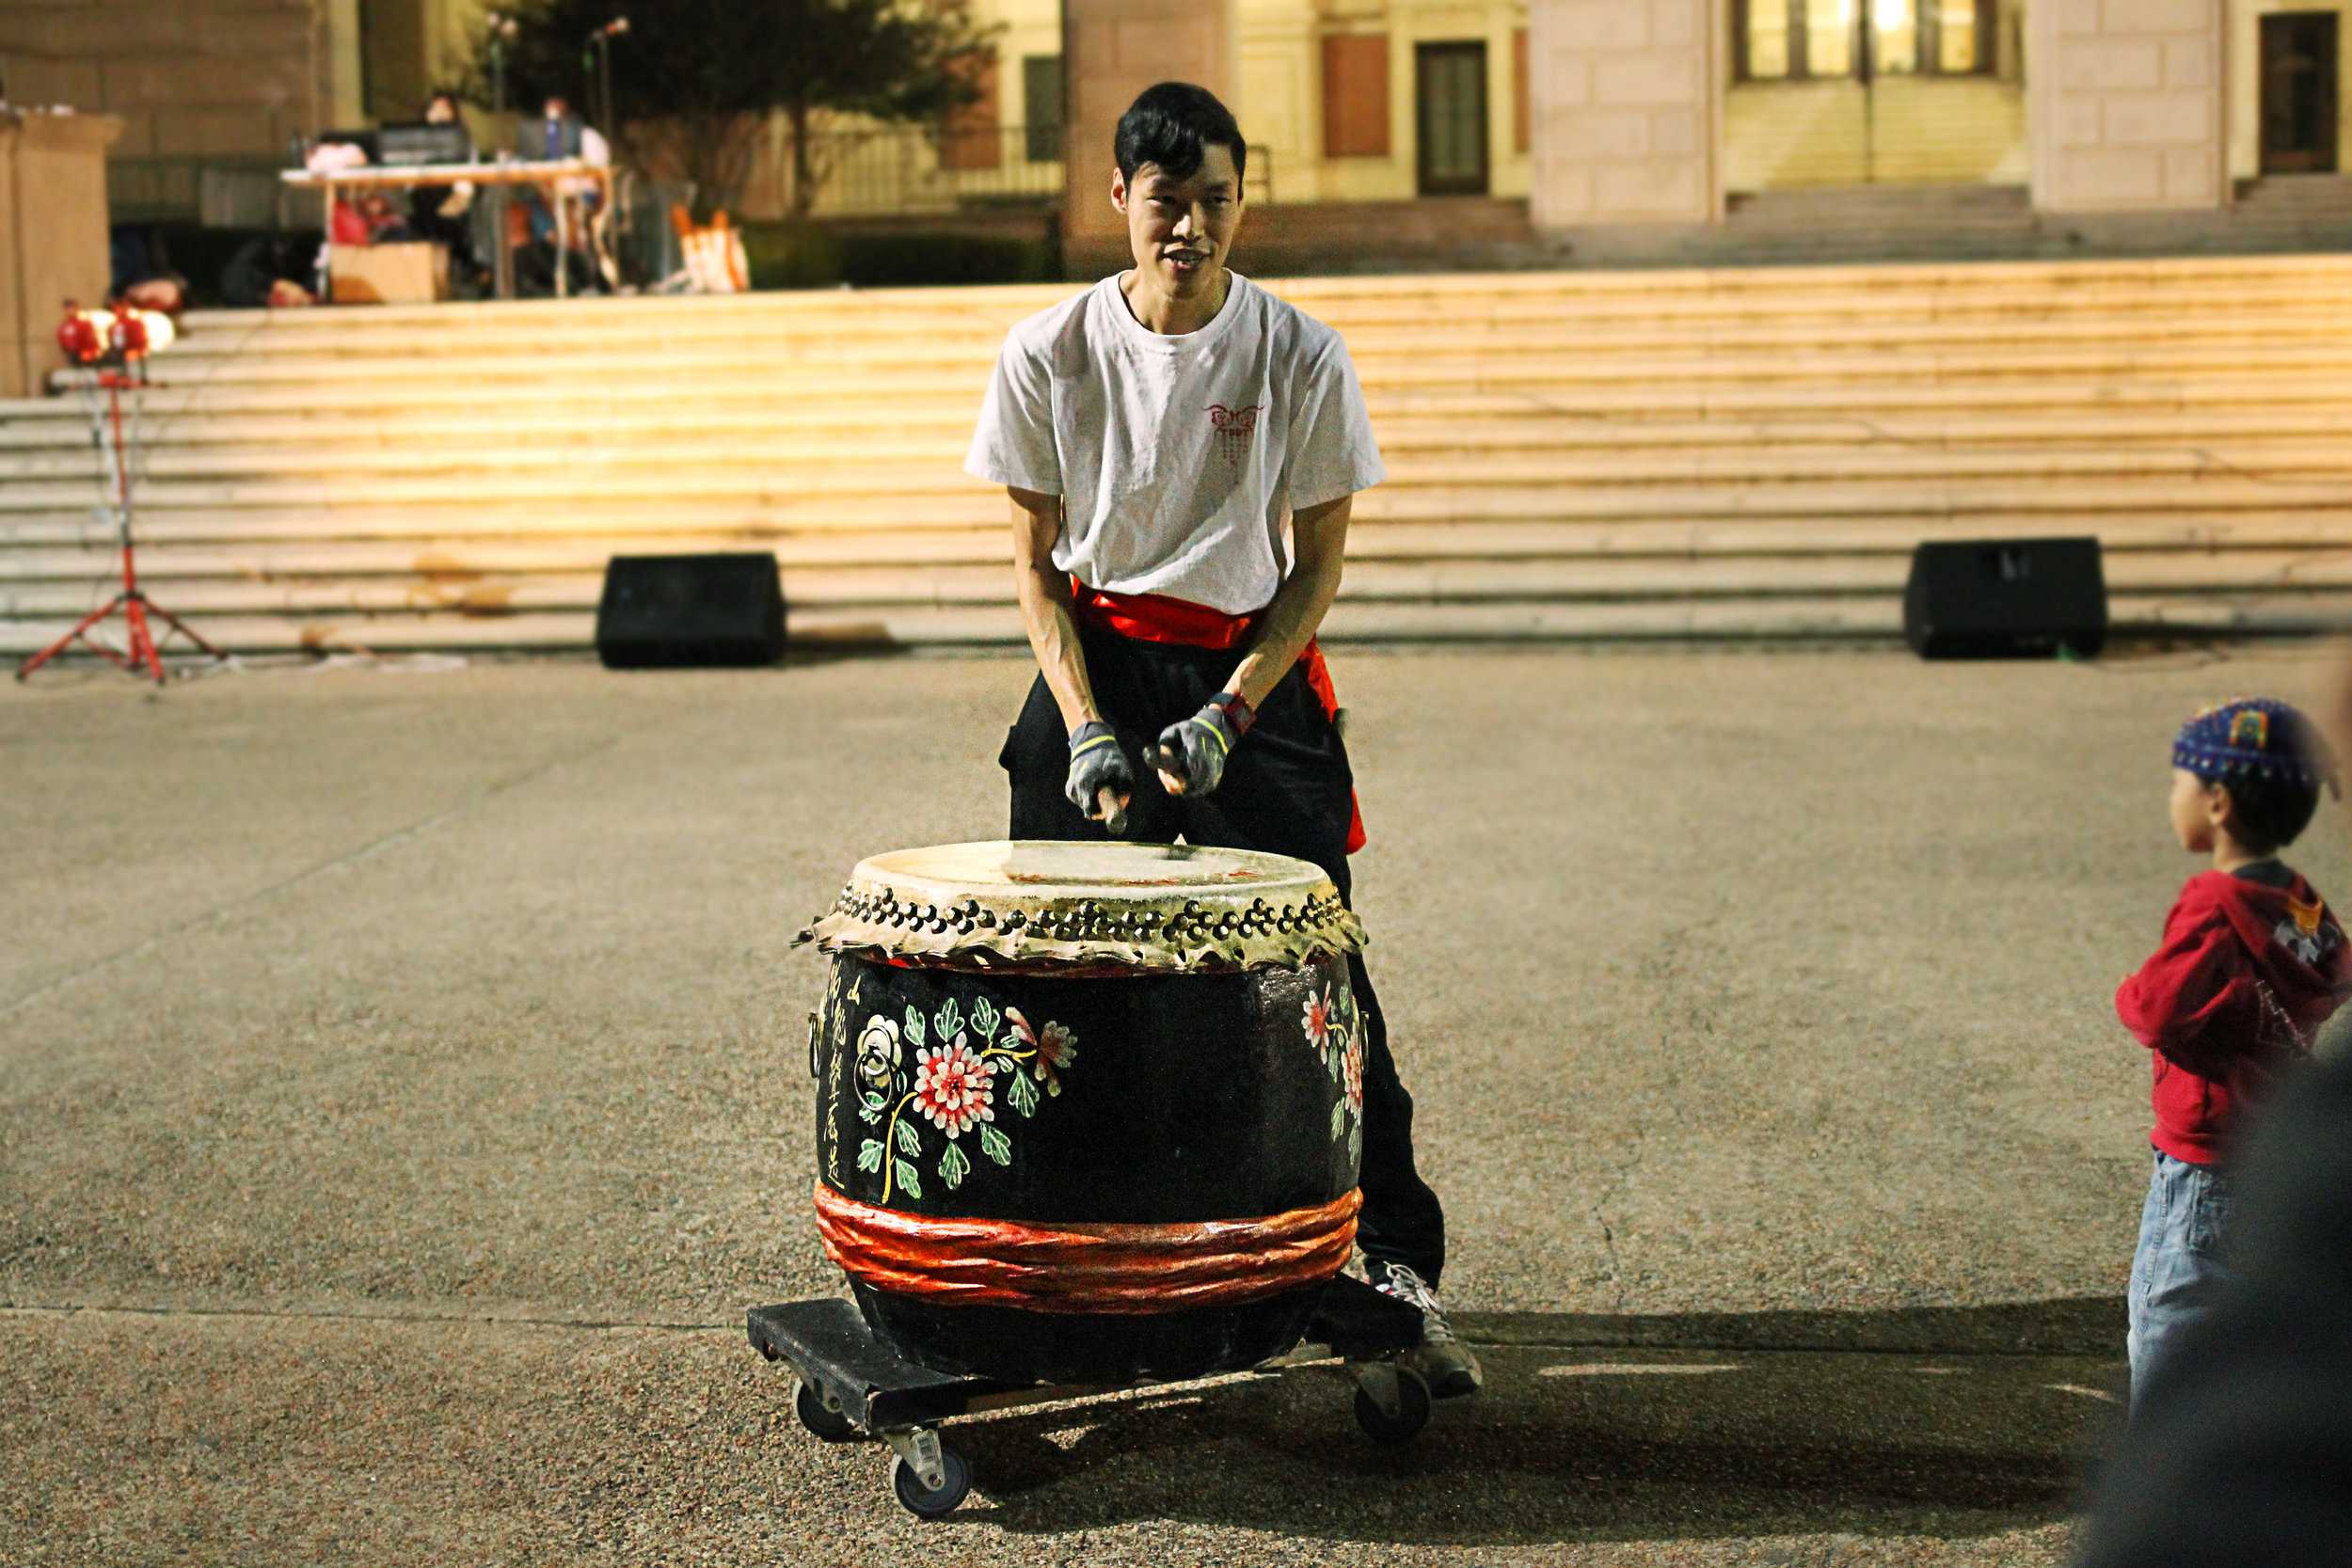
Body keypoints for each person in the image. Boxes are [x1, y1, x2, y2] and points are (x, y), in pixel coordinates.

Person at [964, 81, 1478, 1398]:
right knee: (1058, 977)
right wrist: (1084, 731)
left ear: (1241, 201)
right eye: (1164, 199)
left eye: (1214, 200)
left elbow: (1317, 570)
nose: (1187, 225)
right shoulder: (1048, 352)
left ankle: (1386, 1256)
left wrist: (1233, 712)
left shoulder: (1301, 352)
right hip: (1097, 656)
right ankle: (1057, 1252)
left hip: (1250, 662)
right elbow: (1032, 570)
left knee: (1317, 976)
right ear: (1121, 199)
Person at [2113, 696, 2349, 1410]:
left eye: (2178, 782)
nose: (2171, 798)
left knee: (2168, 1314)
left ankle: (2165, 1460)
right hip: (2263, 1137)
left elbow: (2156, 1007)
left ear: (2217, 802)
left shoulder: (2213, 902)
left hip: (2202, 1159)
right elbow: (2335, 969)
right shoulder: (2297, 896)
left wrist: (2128, 990)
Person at [2074, 1046, 2352, 1565]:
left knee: (2166, 1324)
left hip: (2204, 1148)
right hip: (2244, 1131)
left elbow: (2158, 1004)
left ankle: (2156, 1468)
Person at [516, 92, 611, 293]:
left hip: (581, 194)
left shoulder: (588, 137)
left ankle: (585, 275)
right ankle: (551, 242)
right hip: (551, 194)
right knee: (530, 204)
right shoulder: (543, 137)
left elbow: (598, 174)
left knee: (565, 217)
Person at [406, 90, 484, 294]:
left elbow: (470, 172)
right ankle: (463, 265)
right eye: (435, 108)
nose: (440, 113)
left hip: (453, 197)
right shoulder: (416, 137)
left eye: (445, 108)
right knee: (425, 203)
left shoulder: (462, 137)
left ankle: (462, 268)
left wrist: (459, 198)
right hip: (424, 197)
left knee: (448, 219)